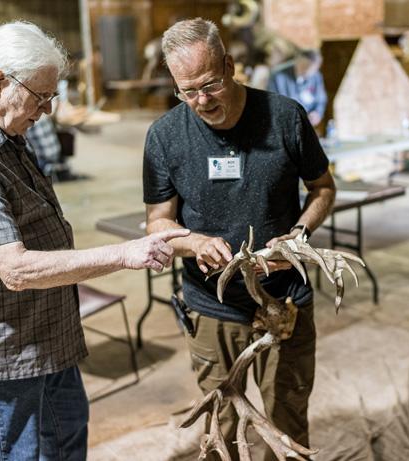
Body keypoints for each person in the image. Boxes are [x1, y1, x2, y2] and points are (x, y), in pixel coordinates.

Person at [0, 22, 189, 461]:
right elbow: (15, 269)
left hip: (45, 325)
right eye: (40, 97)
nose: (48, 110)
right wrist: (126, 253)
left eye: (51, 96)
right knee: (14, 449)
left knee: (66, 431)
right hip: (7, 342)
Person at [143, 18, 336, 461]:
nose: (202, 100)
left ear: (230, 65)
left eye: (211, 84)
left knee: (287, 420)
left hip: (283, 300)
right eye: (187, 91)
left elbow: (323, 188)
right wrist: (193, 242)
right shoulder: (165, 136)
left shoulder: (285, 117)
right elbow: (158, 223)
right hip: (211, 306)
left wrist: (299, 236)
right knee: (221, 425)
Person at [267, 48, 327, 128]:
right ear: (296, 61)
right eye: (304, 66)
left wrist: (317, 113)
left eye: (311, 69)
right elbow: (272, 103)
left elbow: (321, 100)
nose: (307, 71)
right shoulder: (278, 76)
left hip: (306, 124)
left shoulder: (316, 76)